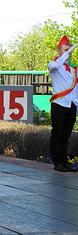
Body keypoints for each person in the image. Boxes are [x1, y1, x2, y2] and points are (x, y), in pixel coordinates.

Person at [47, 36, 78, 172]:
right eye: (65, 50)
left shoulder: (73, 69)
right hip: (59, 103)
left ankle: (65, 161)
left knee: (66, 135)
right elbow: (53, 66)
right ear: (58, 51)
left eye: (70, 50)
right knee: (57, 133)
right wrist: (63, 57)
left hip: (71, 104)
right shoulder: (54, 64)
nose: (68, 53)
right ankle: (57, 161)